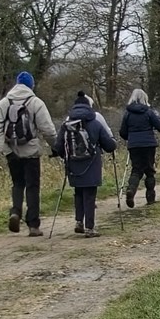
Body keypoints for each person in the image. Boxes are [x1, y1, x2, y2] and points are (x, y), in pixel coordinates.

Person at [0, 71, 56, 235]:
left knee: (18, 184)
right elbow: (47, 129)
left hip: (12, 151)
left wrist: (4, 150)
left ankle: (15, 212)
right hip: (31, 152)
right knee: (33, 187)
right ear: (31, 85)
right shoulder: (36, 102)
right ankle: (33, 225)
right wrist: (55, 147)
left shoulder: (4, 103)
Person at [57, 89, 110, 235]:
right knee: (90, 195)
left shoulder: (66, 124)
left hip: (74, 166)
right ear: (89, 107)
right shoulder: (95, 123)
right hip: (91, 165)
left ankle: (79, 221)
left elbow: (58, 146)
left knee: (78, 192)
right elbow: (110, 145)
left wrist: (66, 157)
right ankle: (90, 228)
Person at [117, 86, 160, 208]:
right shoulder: (149, 112)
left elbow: (123, 132)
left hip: (134, 145)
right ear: (145, 98)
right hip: (148, 144)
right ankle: (150, 198)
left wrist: (131, 137)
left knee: (136, 169)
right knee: (149, 171)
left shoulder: (127, 113)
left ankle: (131, 190)